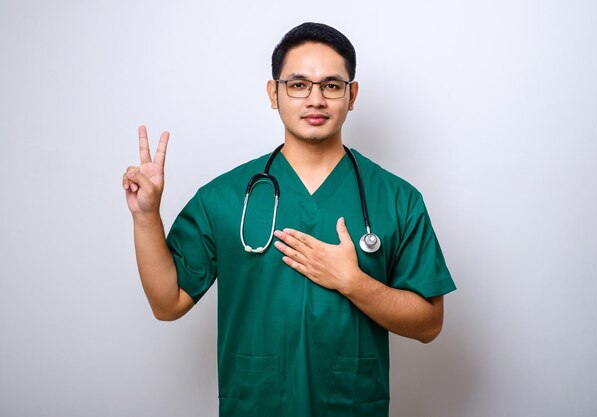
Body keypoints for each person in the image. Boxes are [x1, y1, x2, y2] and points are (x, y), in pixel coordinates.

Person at [123, 22, 456, 417]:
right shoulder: (225, 198)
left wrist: (353, 282)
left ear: (352, 96)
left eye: (332, 86)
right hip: (258, 404)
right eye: (298, 85)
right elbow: (168, 303)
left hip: (350, 407)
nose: (315, 99)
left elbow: (428, 324)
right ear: (273, 93)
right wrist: (145, 216)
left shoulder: (397, 199)